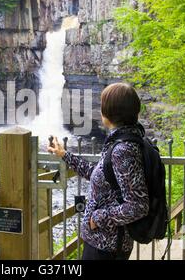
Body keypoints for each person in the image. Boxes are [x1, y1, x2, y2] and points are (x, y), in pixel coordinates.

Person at [47, 82, 149, 260]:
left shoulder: (122, 150)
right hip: (103, 243)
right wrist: (64, 154)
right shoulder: (121, 142)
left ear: (108, 113)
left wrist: (99, 218)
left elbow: (138, 205)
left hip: (107, 246)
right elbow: (101, 174)